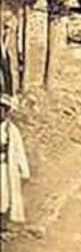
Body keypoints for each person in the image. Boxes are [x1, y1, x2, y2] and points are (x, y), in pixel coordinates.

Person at [0, 95, 29, 232]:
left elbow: (19, 151)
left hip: (5, 167)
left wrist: (24, 170)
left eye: (2, 109)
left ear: (6, 112)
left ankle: (3, 224)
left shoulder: (12, 130)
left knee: (4, 195)